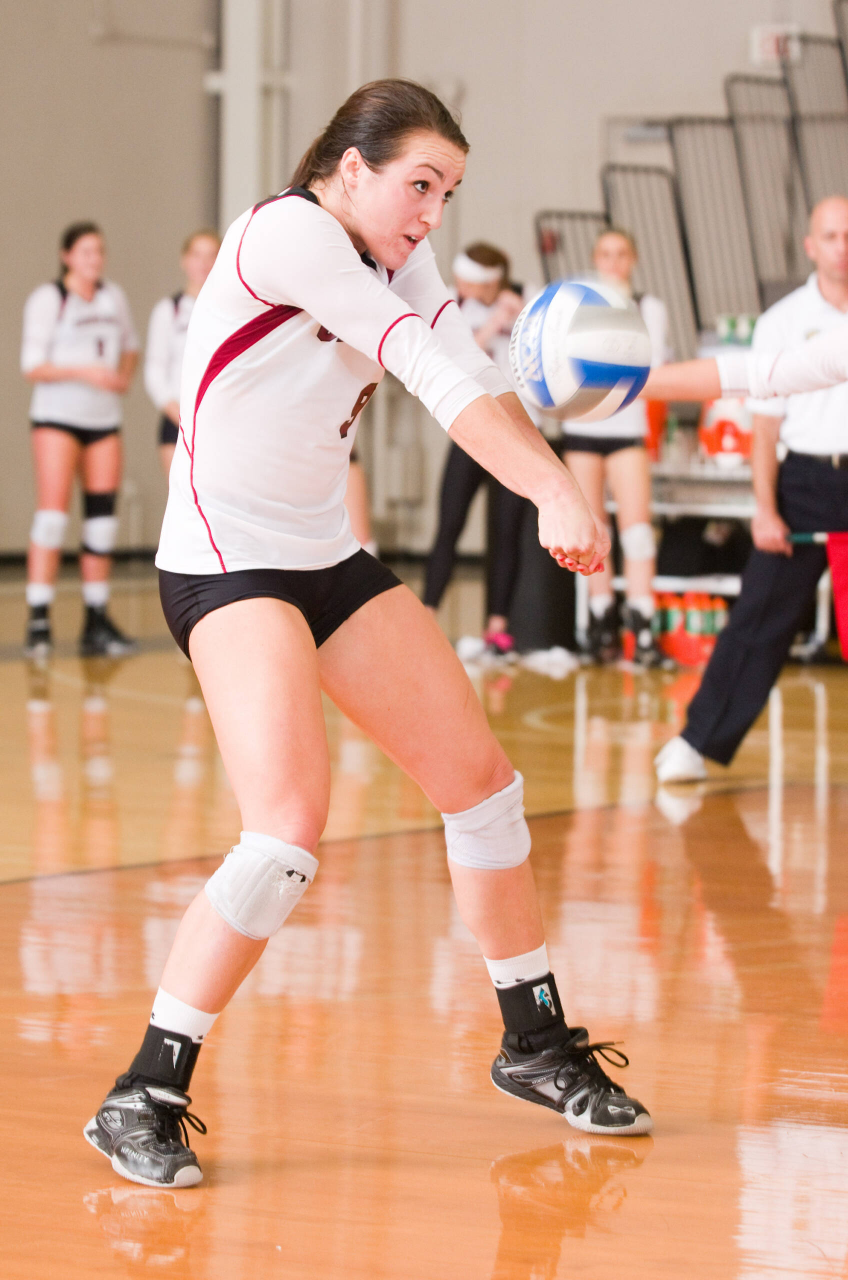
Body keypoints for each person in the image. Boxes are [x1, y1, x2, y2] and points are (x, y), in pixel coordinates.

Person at [83, 79, 650, 1190]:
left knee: (483, 788)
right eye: (419, 185)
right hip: (226, 560)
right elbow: (426, 370)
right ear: (351, 168)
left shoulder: (401, 255)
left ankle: (534, 1041)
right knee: (286, 829)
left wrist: (556, 479)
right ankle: (142, 1090)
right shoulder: (288, 234)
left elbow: (473, 371)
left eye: (448, 193)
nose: (432, 213)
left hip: (322, 553)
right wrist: (552, 490)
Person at [646, 197, 848, 782]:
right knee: (760, 615)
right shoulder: (787, 322)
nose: (842, 247)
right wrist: (636, 384)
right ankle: (697, 740)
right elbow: (750, 386)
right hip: (806, 480)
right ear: (811, 246)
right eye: (831, 236)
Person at [20, 222, 140, 658]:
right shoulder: (49, 299)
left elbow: (131, 345)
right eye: (86, 251)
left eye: (99, 251)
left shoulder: (112, 297)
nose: (95, 259)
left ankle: (96, 618)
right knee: (52, 518)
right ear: (67, 255)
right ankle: (38, 617)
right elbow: (32, 365)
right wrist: (85, 372)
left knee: (102, 522)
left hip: (103, 420)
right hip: (57, 418)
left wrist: (122, 375)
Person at [561, 228, 672, 666]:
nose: (613, 261)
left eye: (621, 253)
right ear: (595, 258)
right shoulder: (576, 307)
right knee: (589, 531)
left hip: (627, 430)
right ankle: (601, 620)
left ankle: (642, 625)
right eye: (605, 254)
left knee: (637, 531)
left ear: (633, 259)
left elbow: (653, 367)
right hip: (583, 428)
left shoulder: (648, 307)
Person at [422, 243, 529, 654]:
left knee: (506, 532)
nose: (461, 284)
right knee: (449, 524)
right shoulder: (453, 304)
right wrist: (493, 323)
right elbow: (453, 355)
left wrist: (516, 315)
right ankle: (427, 615)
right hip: (471, 430)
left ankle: (497, 628)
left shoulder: (525, 298)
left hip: (516, 435)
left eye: (468, 280)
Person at [144, 230, 221, 477]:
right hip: (179, 420)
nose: (204, 263)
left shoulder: (231, 310)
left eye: (211, 255)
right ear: (184, 260)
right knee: (182, 494)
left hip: (221, 419)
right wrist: (179, 413)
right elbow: (155, 370)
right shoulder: (169, 310)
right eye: (197, 255)